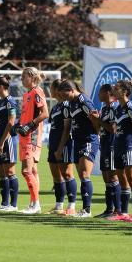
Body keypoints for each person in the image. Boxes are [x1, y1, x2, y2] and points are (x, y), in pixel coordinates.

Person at [58, 80, 100, 218]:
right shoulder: (71, 103)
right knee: (82, 176)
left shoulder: (84, 101)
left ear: (70, 90)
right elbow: (68, 126)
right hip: (77, 141)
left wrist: (97, 134)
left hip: (88, 140)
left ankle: (87, 210)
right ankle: (84, 209)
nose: (62, 97)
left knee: (84, 174)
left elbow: (95, 119)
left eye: (63, 94)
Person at [14, 67, 49, 215]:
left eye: (24, 77)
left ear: (32, 77)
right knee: (33, 170)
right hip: (24, 135)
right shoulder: (26, 94)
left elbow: (45, 113)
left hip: (31, 136)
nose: (22, 79)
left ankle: (36, 204)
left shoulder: (37, 92)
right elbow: (27, 114)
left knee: (26, 170)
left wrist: (29, 125)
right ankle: (34, 203)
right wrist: (19, 124)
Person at [109, 80, 132, 222]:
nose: (113, 90)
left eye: (116, 88)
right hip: (118, 146)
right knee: (122, 179)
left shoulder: (130, 107)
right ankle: (124, 212)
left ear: (124, 91)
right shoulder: (118, 108)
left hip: (129, 146)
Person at [46, 79, 74, 215]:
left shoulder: (66, 106)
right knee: (56, 176)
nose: (49, 91)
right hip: (53, 144)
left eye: (51, 88)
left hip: (64, 145)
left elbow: (67, 128)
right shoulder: (56, 107)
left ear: (57, 90)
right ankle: (58, 206)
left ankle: (72, 206)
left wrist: (60, 147)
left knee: (67, 174)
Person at [0, 75, 19, 211]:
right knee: (1, 172)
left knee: (9, 171)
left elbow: (11, 122)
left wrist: (2, 141)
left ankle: (13, 205)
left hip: (7, 140)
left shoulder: (10, 101)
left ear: (1, 87)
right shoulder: (0, 102)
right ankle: (4, 203)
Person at [93, 84, 121, 218]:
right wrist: (95, 120)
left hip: (112, 144)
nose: (98, 95)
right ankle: (109, 209)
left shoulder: (115, 107)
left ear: (108, 93)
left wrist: (98, 120)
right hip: (103, 144)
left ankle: (118, 210)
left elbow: (113, 129)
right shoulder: (104, 108)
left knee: (113, 176)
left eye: (100, 92)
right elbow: (99, 128)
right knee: (106, 177)